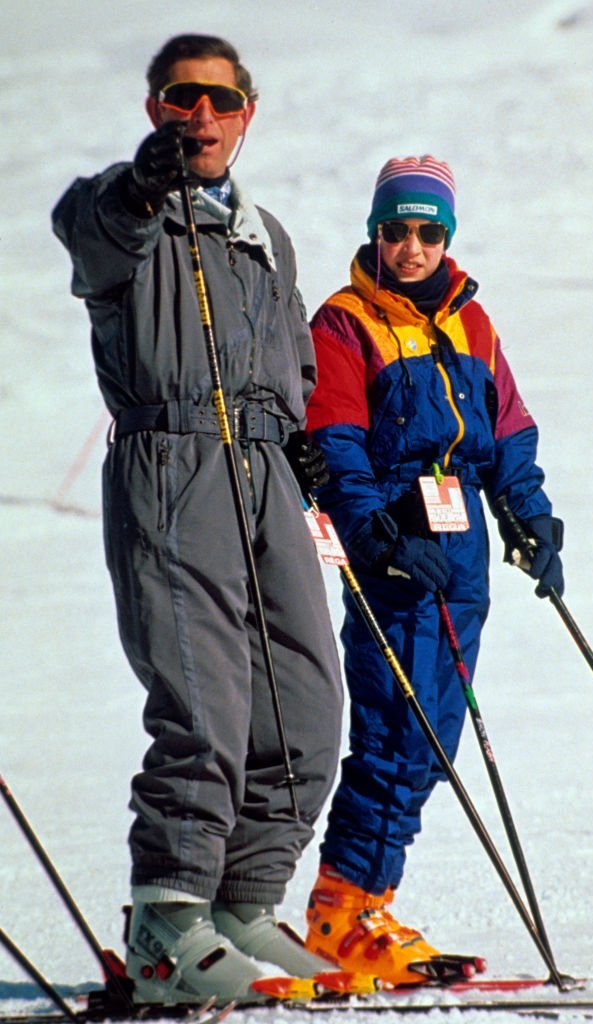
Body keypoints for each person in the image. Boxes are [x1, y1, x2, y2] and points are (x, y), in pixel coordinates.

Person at [51, 34, 343, 1006]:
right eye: (184, 98)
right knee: (203, 700)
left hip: (264, 470)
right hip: (173, 464)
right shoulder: (120, 209)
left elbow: (293, 352)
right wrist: (141, 186)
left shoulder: (266, 235)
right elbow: (95, 229)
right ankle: (167, 918)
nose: (203, 117)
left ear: (247, 111)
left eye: (221, 101)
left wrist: (297, 433)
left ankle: (241, 902)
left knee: (304, 703)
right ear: (156, 108)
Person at [301, 156, 564, 987]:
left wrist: (528, 514)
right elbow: (335, 441)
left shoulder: (472, 323)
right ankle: (341, 912)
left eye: (428, 231)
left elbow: (507, 432)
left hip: (461, 555)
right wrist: (375, 534)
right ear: (375, 232)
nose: (410, 247)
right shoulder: (345, 323)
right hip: (394, 551)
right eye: (395, 230)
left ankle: (369, 903)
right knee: (394, 733)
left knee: (438, 740)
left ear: (447, 235)